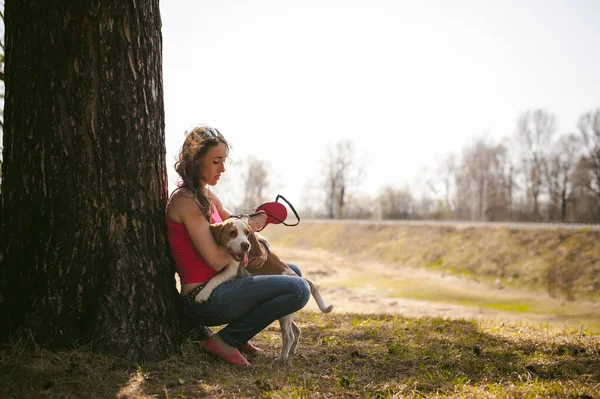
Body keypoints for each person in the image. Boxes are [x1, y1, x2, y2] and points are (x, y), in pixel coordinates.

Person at [166, 125, 310, 367]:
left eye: (223, 161)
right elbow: (215, 259)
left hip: (226, 283)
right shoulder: (185, 202)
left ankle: (242, 335)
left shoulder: (208, 196)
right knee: (299, 289)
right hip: (202, 298)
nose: (222, 168)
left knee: (293, 271)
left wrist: (259, 242)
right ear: (196, 160)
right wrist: (248, 234)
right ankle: (225, 340)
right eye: (216, 161)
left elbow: (241, 227)